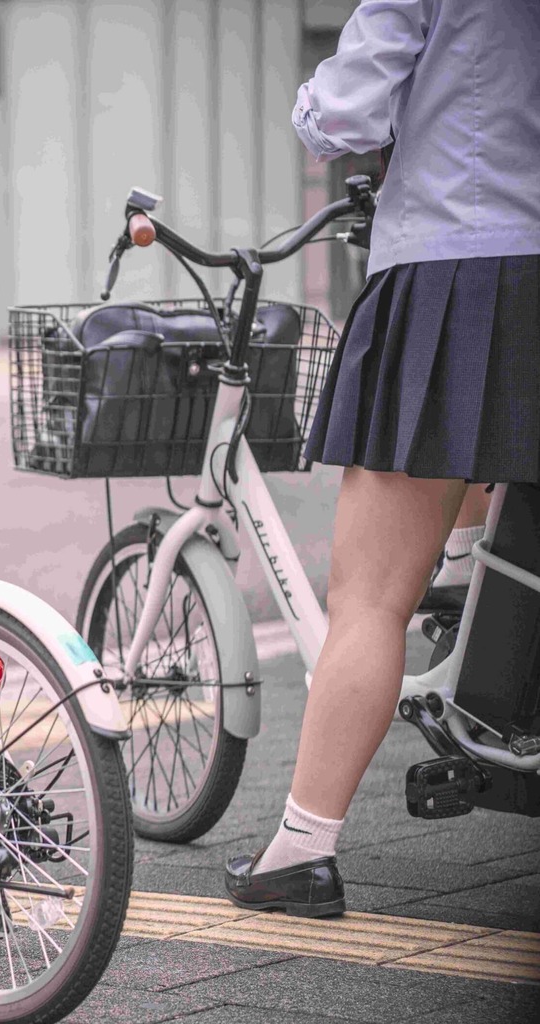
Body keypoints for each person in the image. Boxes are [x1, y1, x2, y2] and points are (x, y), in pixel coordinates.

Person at [226, 0, 540, 916]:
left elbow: (344, 114)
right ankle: (465, 575)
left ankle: (301, 850)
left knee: (368, 597)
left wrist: (312, 106)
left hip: (459, 261)